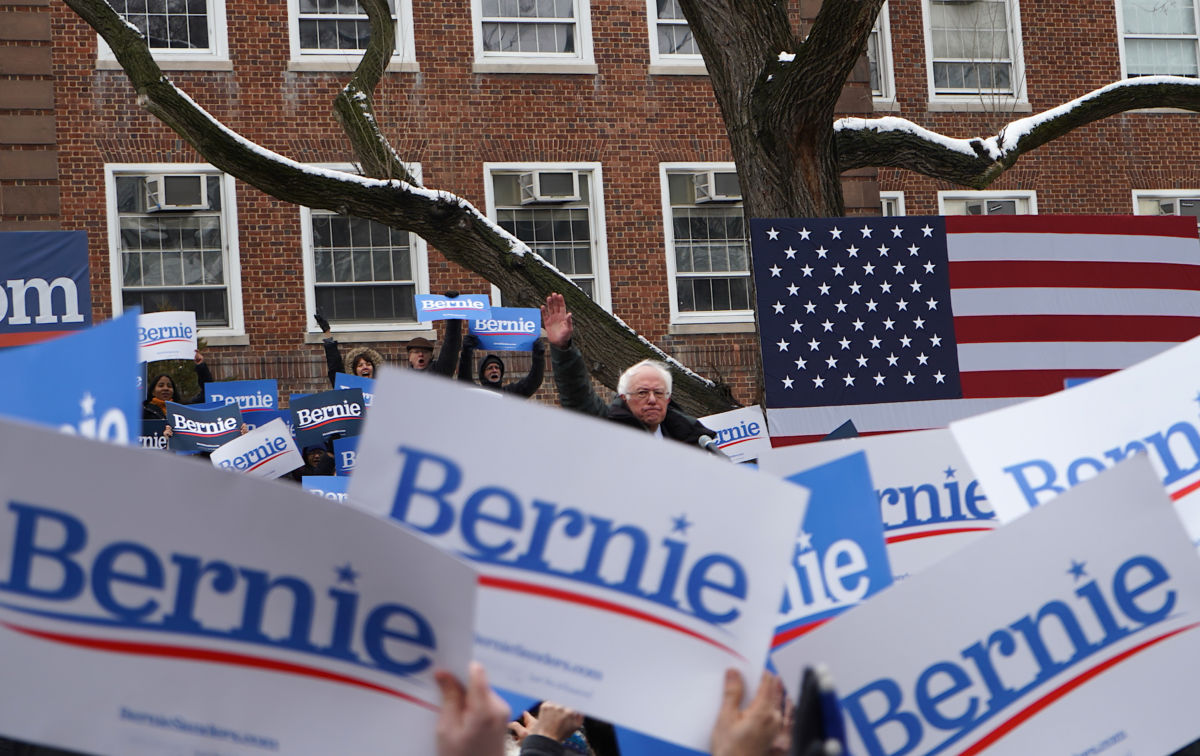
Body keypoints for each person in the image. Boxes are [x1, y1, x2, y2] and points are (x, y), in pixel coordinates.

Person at [540, 292, 714, 445]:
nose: (652, 400)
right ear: (624, 398)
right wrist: (563, 349)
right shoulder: (609, 428)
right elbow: (577, 397)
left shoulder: (690, 437)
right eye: (642, 392)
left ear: (668, 399)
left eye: (659, 393)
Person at [314, 295, 463, 386]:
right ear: (409, 357)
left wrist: (453, 315)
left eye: (368, 364)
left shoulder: (387, 388)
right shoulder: (351, 389)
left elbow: (450, 351)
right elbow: (336, 373)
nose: (420, 355)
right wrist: (327, 335)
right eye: (360, 365)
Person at [457, 334, 546, 398]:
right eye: (490, 368)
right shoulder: (476, 393)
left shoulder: (510, 393)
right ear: (482, 373)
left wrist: (538, 356)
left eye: (497, 367)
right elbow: (464, 379)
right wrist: (466, 352)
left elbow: (534, 381)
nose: (494, 370)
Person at [142, 351, 214, 421]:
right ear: (152, 392)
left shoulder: (184, 408)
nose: (166, 388)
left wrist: (201, 366)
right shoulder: (144, 411)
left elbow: (208, 392)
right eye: (161, 385)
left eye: (169, 386)